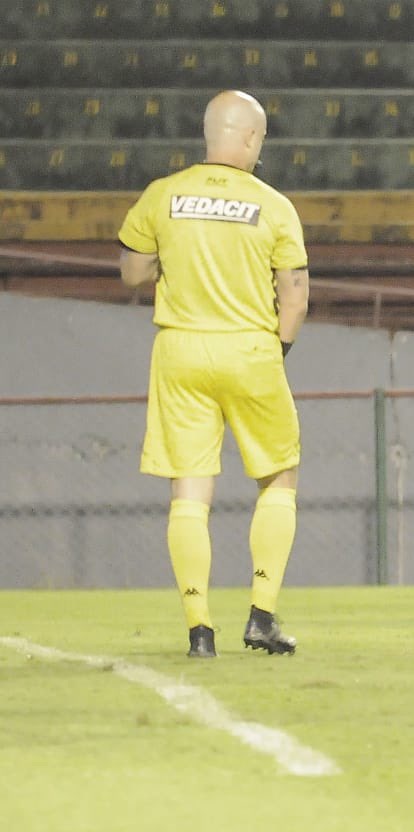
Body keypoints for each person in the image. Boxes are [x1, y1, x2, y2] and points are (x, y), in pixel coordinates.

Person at [118, 90, 309, 658]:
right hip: (250, 349)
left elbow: (132, 272)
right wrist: (278, 351)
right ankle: (262, 616)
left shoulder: (162, 195)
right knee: (278, 476)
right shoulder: (273, 204)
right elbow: (294, 298)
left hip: (179, 351)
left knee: (190, 490)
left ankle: (199, 628)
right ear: (251, 138)